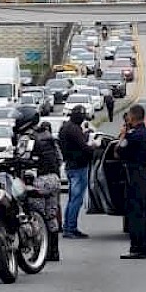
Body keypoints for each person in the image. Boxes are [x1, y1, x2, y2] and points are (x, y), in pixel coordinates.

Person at [15, 108, 62, 261]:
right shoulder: (47, 135)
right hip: (53, 179)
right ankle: (53, 251)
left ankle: (38, 252)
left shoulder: (27, 137)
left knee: (35, 216)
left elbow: (20, 158)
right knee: (51, 215)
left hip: (37, 180)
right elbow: (59, 158)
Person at [116, 104, 146, 259]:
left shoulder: (131, 136)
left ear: (132, 117)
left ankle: (136, 248)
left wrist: (122, 135)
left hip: (135, 176)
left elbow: (118, 153)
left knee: (135, 213)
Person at [59, 105, 94, 240]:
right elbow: (83, 148)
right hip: (78, 167)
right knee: (76, 199)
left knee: (72, 198)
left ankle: (69, 226)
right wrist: (94, 147)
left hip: (70, 165)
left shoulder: (65, 128)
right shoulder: (74, 129)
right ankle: (70, 228)